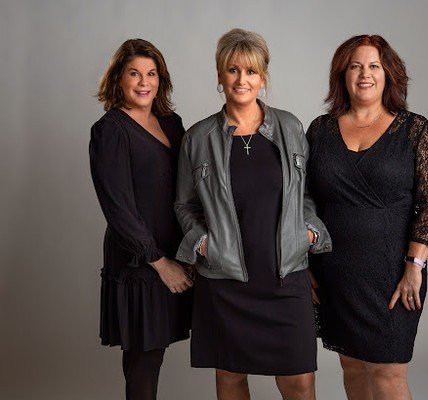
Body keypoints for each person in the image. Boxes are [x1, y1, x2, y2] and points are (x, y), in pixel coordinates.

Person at [174, 28, 331, 400]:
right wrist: (204, 243)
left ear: (263, 78)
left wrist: (308, 232)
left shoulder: (290, 127)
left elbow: (307, 194)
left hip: (286, 276)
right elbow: (184, 203)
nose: (241, 80)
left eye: (250, 71)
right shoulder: (198, 138)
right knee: (230, 378)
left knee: (300, 383)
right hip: (225, 279)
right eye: (233, 70)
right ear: (219, 75)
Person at [306, 34, 428, 400]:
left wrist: (415, 265)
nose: (364, 74)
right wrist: (302, 263)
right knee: (352, 366)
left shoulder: (414, 129)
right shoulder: (320, 130)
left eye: (374, 66)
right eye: (355, 66)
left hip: (393, 274)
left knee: (388, 373)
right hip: (335, 272)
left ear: (388, 74)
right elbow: (303, 201)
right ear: (343, 75)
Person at [89, 39, 193, 400]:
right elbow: (117, 207)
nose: (144, 82)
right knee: (144, 359)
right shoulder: (110, 130)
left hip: (177, 254)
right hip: (142, 261)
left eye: (152, 74)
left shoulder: (171, 123)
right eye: (134, 73)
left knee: (157, 352)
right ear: (119, 78)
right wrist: (160, 263)